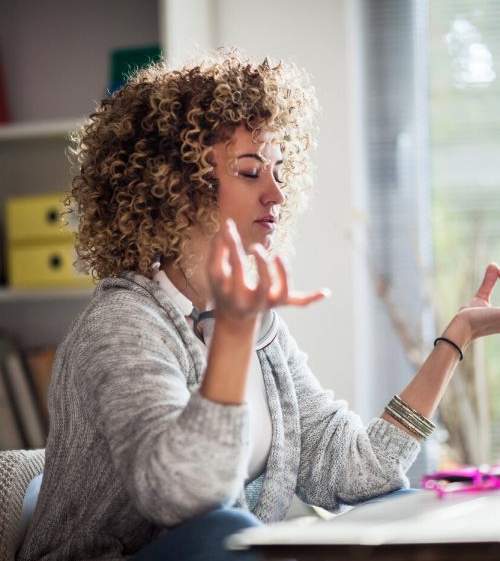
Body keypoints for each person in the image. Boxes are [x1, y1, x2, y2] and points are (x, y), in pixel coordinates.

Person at [18, 48, 500, 561]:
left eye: (279, 171)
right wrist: (234, 333)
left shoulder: (259, 325)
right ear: (175, 187)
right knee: (221, 529)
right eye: (250, 173)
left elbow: (357, 471)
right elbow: (184, 498)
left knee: (402, 506)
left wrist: (454, 340)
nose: (277, 194)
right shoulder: (122, 324)